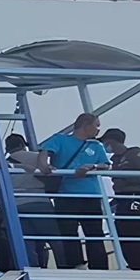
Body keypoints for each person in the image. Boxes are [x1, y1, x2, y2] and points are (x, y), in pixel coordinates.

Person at [41, 113, 112, 270]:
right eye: (97, 124)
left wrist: (92, 166)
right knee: (68, 231)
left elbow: (106, 165)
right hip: (66, 194)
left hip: (90, 195)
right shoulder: (61, 139)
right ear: (85, 125)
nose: (98, 129)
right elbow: (45, 152)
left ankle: (99, 267)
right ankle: (75, 265)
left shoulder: (96, 145)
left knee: (94, 232)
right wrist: (44, 165)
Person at [101, 128, 140, 271]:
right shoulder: (115, 160)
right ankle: (133, 264)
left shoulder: (133, 152)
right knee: (121, 229)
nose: (106, 147)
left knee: (138, 230)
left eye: (106, 143)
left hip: (137, 196)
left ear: (112, 141)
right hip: (123, 199)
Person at [4, 134, 59, 267]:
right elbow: (53, 173)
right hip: (39, 201)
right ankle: (65, 266)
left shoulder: (3, 163)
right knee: (55, 238)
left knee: (27, 243)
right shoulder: (36, 157)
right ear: (23, 145)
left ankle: (31, 269)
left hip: (16, 205)